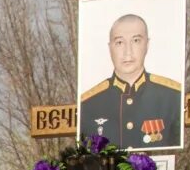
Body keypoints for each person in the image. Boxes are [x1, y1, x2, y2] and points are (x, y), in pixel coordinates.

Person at [78, 14, 182, 151]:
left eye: (136, 41)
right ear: (110, 48)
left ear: (147, 45)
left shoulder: (172, 97)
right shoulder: (88, 104)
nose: (128, 52)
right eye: (119, 43)